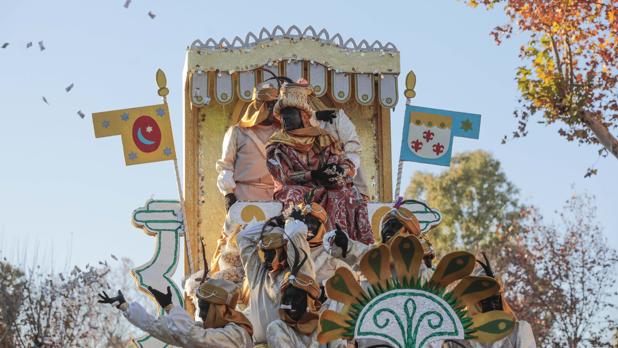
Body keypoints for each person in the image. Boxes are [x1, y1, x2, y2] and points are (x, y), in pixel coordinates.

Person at [266, 80, 374, 245]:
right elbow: (283, 177)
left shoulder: (323, 137)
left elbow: (337, 160)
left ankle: (341, 245)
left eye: (290, 112)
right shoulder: (276, 144)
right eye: (283, 113)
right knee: (295, 194)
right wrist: (314, 174)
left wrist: (334, 173)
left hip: (322, 186)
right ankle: (296, 245)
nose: (285, 117)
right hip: (293, 188)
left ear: (303, 115)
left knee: (345, 194)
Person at [97, 277, 253, 348]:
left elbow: (193, 336)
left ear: (220, 309)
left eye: (205, 308)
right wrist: (125, 307)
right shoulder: (206, 330)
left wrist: (172, 309)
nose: (202, 314)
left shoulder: (237, 335)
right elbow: (162, 328)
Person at [237, 215, 315, 345]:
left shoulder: (299, 275)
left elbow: (296, 232)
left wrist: (287, 223)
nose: (266, 258)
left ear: (284, 250)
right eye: (265, 253)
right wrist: (267, 228)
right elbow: (242, 238)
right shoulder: (257, 274)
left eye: (271, 252)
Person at [440, 254, 536, 348]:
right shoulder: (456, 338)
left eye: (495, 294)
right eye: (485, 294)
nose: (492, 300)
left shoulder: (519, 330)